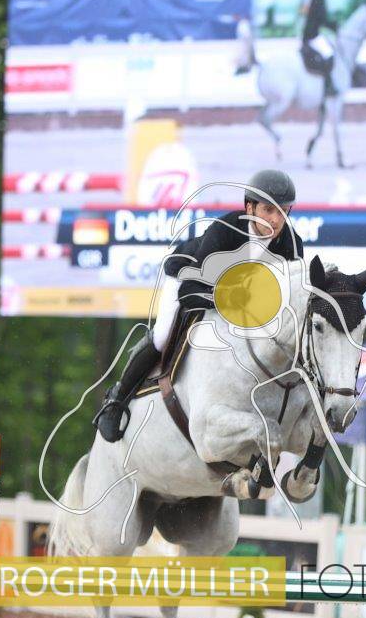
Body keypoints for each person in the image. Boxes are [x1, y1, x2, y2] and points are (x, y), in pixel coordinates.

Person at [92, 170, 304, 443]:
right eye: (268, 210)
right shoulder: (225, 230)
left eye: (284, 211)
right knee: (162, 336)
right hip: (187, 278)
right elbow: (190, 292)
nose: (276, 220)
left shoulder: (291, 245)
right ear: (249, 207)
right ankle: (117, 400)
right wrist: (229, 299)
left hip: (240, 298)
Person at [301, 0, 338, 97]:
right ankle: (328, 86)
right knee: (329, 53)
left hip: (315, 33)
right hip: (312, 35)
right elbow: (322, 19)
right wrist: (335, 27)